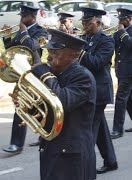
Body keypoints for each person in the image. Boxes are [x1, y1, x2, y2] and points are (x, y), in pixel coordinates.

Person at [31, 29, 96, 180]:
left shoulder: (82, 76)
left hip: (71, 153)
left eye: (55, 51)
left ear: (73, 54)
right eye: (49, 51)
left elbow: (61, 102)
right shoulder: (54, 75)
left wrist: (45, 75)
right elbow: (44, 108)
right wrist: (29, 106)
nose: (49, 56)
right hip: (51, 147)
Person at [2, 5, 48, 153]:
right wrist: (7, 36)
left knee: (34, 107)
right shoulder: (22, 31)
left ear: (32, 16)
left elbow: (32, 46)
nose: (20, 19)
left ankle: (33, 139)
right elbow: (12, 49)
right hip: (21, 73)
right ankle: (20, 142)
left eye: (24, 16)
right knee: (23, 106)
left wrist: (23, 31)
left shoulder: (42, 31)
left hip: (34, 73)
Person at [78, 7, 118, 174]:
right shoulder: (83, 39)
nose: (85, 25)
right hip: (87, 90)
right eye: (84, 22)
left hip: (99, 91)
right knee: (100, 129)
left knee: (88, 132)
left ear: (98, 21)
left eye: (89, 22)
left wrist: (80, 52)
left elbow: (97, 63)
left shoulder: (106, 40)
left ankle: (86, 170)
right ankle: (111, 161)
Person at [110, 8, 132, 139]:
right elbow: (115, 46)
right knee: (128, 97)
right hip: (120, 68)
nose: (120, 22)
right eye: (120, 20)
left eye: (123, 20)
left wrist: (122, 31)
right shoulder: (118, 32)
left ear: (129, 19)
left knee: (120, 98)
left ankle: (117, 129)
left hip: (131, 69)